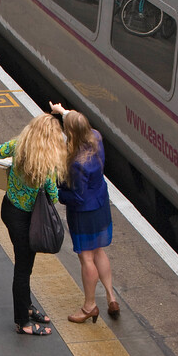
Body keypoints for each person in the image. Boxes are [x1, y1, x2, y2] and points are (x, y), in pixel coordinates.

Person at [0, 114, 67, 335]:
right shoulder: (47, 164)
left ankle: (27, 307)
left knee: (25, 266)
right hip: (28, 220)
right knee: (23, 269)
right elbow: (53, 195)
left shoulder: (18, 145)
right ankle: (22, 322)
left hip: (10, 211)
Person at [51, 102, 119, 323]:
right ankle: (111, 296)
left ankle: (89, 306)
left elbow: (77, 197)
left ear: (71, 133)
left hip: (84, 213)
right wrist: (63, 112)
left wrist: (58, 193)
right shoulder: (96, 137)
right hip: (100, 204)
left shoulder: (77, 164)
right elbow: (78, 123)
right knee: (99, 251)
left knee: (86, 257)